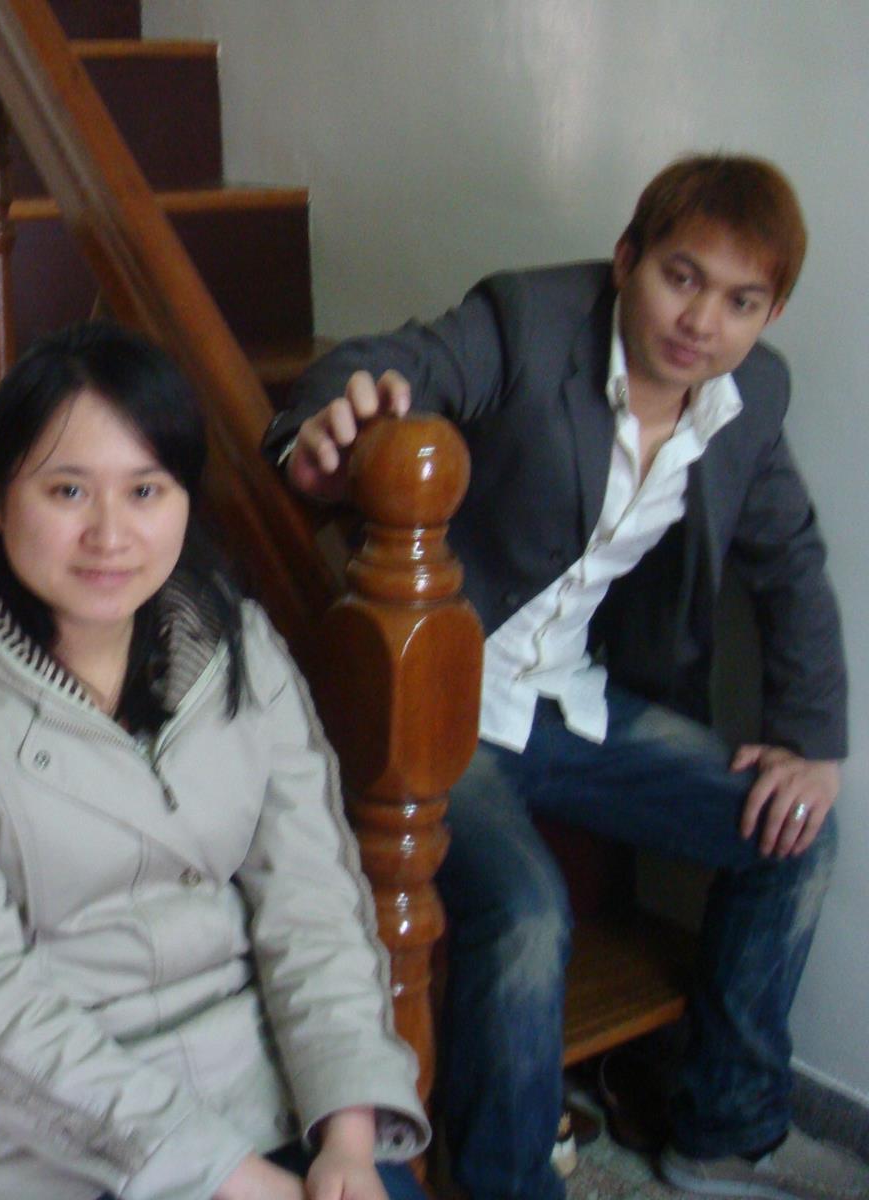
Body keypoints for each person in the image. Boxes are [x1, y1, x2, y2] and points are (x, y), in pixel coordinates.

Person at [263, 154, 863, 1200]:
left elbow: (790, 563)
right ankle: (508, 1183)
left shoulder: (750, 395)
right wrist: (328, 423)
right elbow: (388, 365)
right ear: (627, 259)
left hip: (570, 698)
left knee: (798, 831)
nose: (701, 322)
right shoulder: (530, 322)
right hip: (442, 699)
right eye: (681, 277)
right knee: (529, 909)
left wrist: (813, 744)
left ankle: (722, 1126)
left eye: (740, 301)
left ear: (768, 315)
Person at [0, 321, 431, 1200]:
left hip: (270, 1093)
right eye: (67, 491)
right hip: (62, 1140)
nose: (110, 534)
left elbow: (312, 897)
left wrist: (349, 1140)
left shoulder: (233, 639)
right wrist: (234, 1180)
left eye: (145, 491)